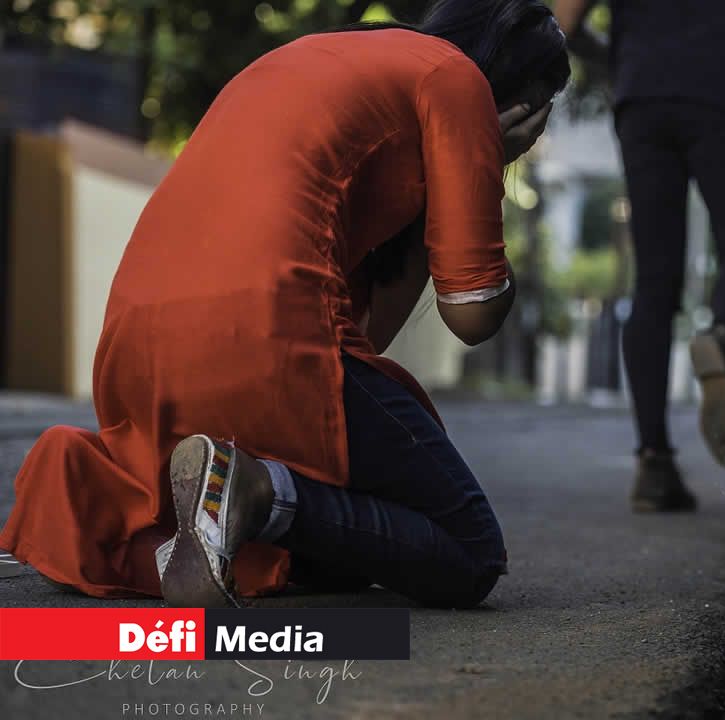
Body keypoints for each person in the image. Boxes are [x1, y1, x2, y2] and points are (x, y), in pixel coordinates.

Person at [0, 0, 569, 609]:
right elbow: (473, 314)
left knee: (350, 550)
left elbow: (365, 342)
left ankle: (147, 512)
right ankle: (257, 491)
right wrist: (484, 158)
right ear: (522, 102)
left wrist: (451, 176)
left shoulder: (323, 57)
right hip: (259, 337)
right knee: (469, 551)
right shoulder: (452, 81)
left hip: (139, 349)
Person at [554, 0, 725, 511]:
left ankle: (653, 465)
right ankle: (723, 336)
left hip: (641, 99)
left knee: (653, 285)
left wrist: (619, 60)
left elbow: (564, 20)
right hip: (720, 90)